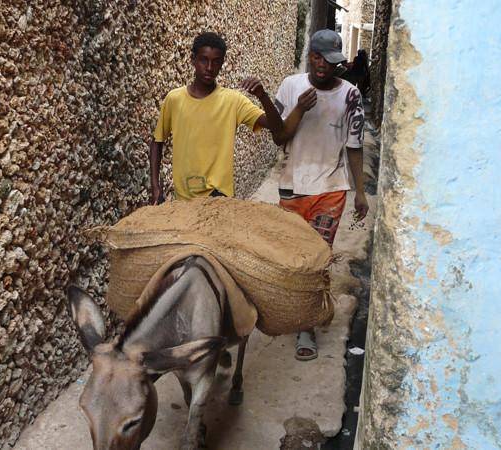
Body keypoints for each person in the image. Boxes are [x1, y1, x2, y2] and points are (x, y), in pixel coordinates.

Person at [272, 29, 369, 361]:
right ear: (311, 56)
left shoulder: (351, 95)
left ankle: (307, 325)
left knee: (317, 257)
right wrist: (298, 108)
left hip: (331, 188)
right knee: (292, 257)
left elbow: (354, 147)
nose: (326, 67)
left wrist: (359, 192)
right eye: (320, 59)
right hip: (291, 185)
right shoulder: (290, 86)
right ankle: (292, 309)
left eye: (332, 61)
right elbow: (277, 133)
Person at [150, 32, 283, 203]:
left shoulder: (233, 101)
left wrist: (262, 96)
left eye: (216, 61)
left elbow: (277, 128)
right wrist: (155, 187)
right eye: (203, 60)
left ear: (222, 64)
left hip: (219, 200)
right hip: (183, 201)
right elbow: (157, 141)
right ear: (193, 60)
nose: (209, 67)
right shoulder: (174, 99)